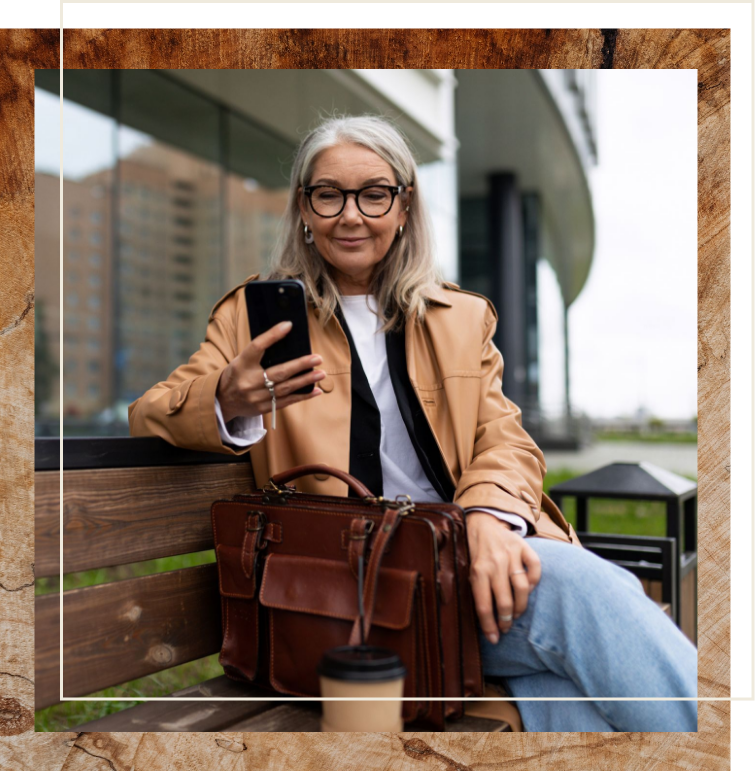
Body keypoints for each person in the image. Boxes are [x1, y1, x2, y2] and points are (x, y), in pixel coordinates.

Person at [129, 114, 697, 731]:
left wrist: (486, 514)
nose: (351, 215)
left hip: (462, 563)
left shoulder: (460, 317)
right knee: (591, 595)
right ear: (303, 209)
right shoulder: (254, 316)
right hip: (338, 593)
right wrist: (227, 398)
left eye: (374, 194)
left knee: (572, 696)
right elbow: (150, 413)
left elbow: (505, 439)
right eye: (329, 195)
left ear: (404, 207)